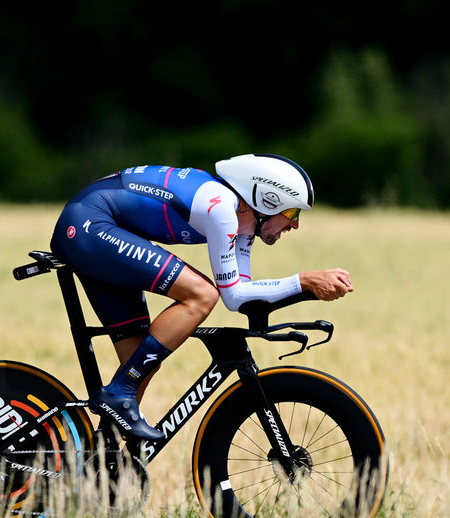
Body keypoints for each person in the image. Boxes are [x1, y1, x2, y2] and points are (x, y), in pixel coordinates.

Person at [50, 154, 354, 441]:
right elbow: (228, 294)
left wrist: (305, 290)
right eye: (292, 213)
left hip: (99, 228)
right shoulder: (221, 206)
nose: (295, 224)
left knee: (141, 362)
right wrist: (303, 281)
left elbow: (239, 298)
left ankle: (100, 462)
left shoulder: (244, 223)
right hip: (90, 224)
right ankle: (119, 393)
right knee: (201, 294)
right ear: (266, 201)